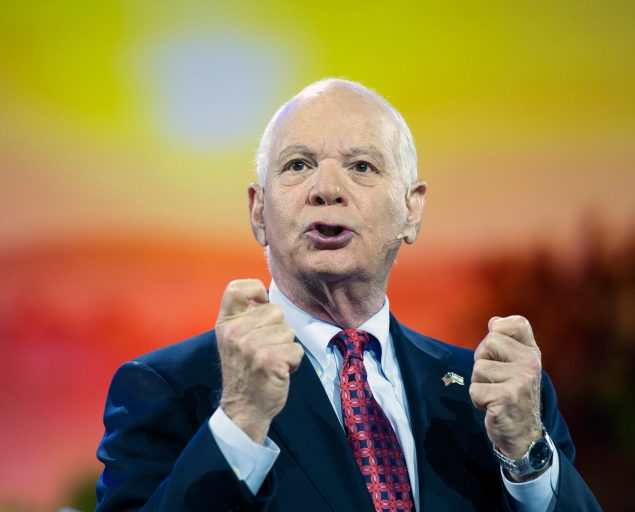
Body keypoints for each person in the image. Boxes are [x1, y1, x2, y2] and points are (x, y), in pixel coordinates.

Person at [95, 79, 600, 511]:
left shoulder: (490, 398)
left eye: (361, 166)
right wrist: (239, 421)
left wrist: (526, 455)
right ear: (257, 211)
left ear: (411, 210)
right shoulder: (170, 390)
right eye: (297, 165)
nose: (326, 189)